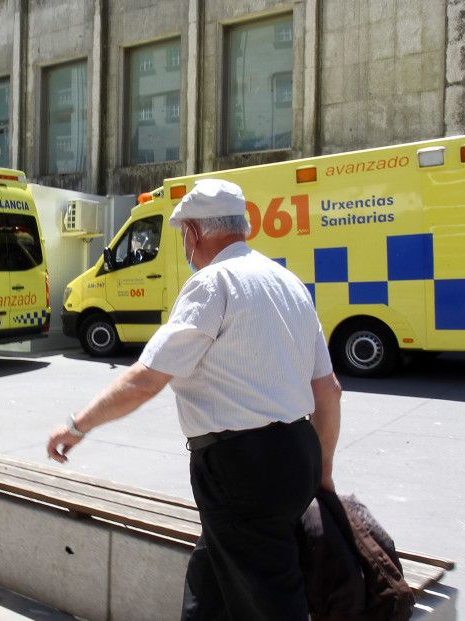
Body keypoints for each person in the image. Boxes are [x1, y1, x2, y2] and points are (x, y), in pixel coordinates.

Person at [46, 178, 342, 620]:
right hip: (297, 456)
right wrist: (322, 471)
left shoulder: (212, 284)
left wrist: (77, 425)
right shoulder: (288, 283)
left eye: (183, 234)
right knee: (212, 581)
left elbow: (145, 380)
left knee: (272, 598)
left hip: (241, 469)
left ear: (194, 234)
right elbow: (328, 390)